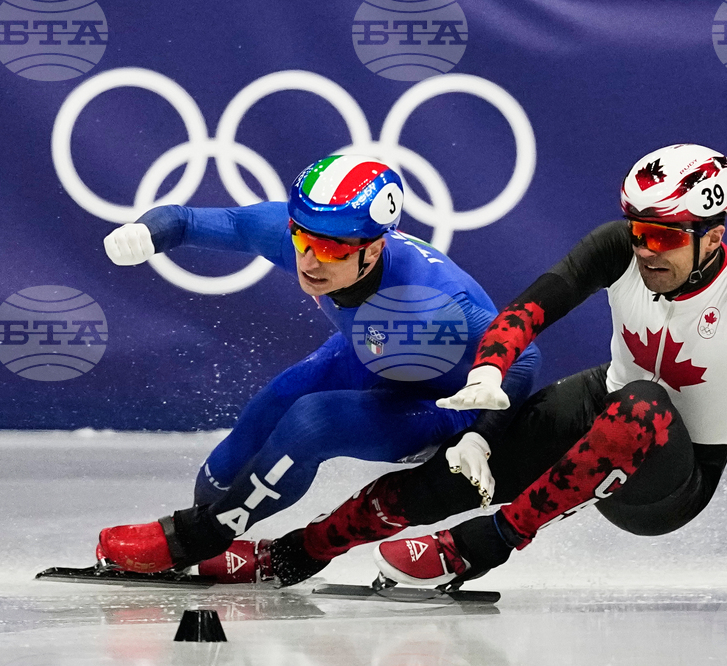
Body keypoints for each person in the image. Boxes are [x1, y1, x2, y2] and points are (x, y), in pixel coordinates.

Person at [139, 144, 727, 621]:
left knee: (642, 406)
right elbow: (527, 310)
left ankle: (482, 545)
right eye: (636, 229)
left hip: (675, 478)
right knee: (462, 466)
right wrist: (491, 375)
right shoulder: (619, 249)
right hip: (610, 405)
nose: (644, 249)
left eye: (663, 237)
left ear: (714, 237)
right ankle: (296, 553)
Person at [94, 154, 540, 577]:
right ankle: (215, 531)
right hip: (367, 354)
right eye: (303, 239)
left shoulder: (433, 301)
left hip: (439, 401)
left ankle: (197, 538)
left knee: (311, 423)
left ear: (374, 248)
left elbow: (525, 357)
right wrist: (147, 232)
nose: (309, 261)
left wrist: (481, 435)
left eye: (329, 250)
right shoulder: (296, 236)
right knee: (260, 423)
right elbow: (190, 221)